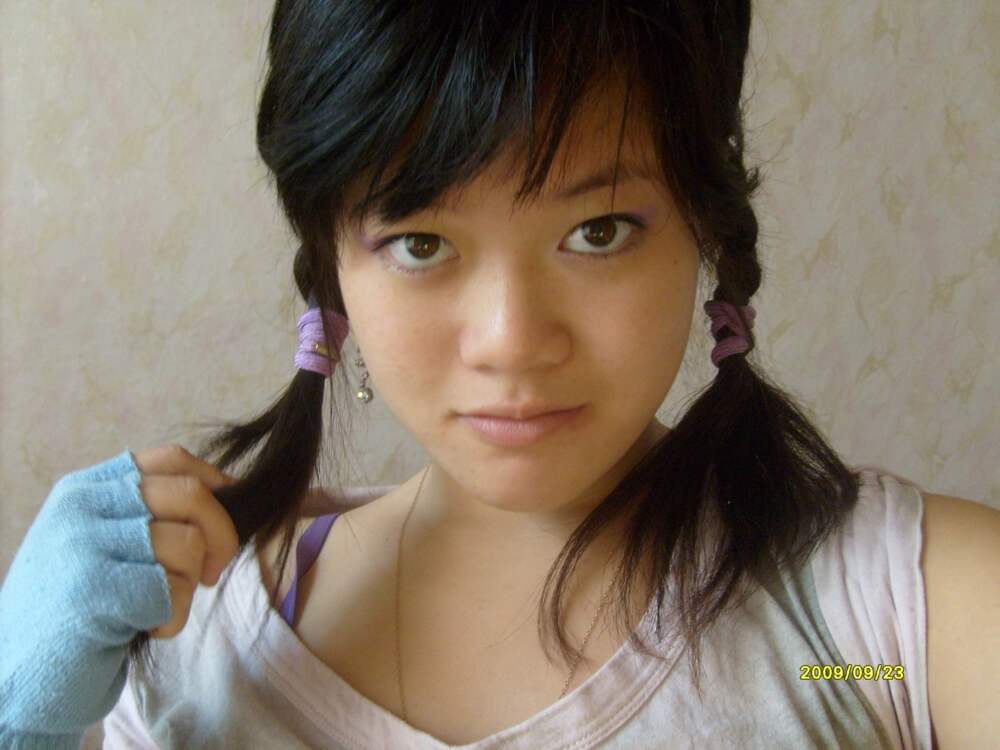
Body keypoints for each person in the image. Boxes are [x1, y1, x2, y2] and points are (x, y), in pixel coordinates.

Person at [1, 1, 997, 748]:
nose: (512, 342)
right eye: (421, 244)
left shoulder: (885, 623)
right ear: (332, 264)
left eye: (597, 231)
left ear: (702, 222)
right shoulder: (194, 633)